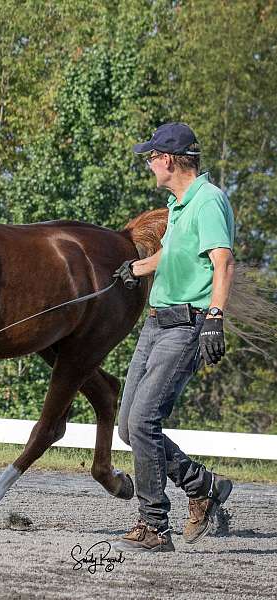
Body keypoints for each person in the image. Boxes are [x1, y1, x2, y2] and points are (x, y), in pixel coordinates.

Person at [111, 122, 236, 553]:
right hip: (156, 323)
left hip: (187, 325)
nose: (148, 164)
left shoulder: (208, 201)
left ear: (167, 159)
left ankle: (153, 524)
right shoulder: (179, 205)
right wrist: (137, 269)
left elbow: (223, 263)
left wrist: (215, 317)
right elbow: (172, 252)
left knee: (145, 420)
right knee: (129, 426)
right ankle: (203, 485)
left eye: (151, 157)